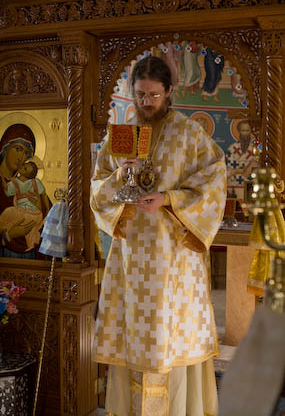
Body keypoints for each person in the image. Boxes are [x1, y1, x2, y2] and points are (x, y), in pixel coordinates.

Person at [90, 56, 227, 416]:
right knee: (134, 339)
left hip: (174, 259)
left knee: (169, 340)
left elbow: (214, 182)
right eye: (139, 95)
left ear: (169, 92)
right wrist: (120, 176)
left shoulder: (188, 133)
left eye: (153, 95)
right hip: (131, 259)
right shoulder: (121, 133)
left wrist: (169, 199)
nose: (145, 102)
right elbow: (97, 191)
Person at [0, 123, 49, 258]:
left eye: (26, 153)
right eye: (18, 149)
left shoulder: (29, 184)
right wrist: (10, 234)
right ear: (5, 148)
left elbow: (48, 222)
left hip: (29, 256)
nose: (22, 157)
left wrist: (40, 207)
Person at [0, 161, 51, 252]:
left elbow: (43, 195)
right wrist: (2, 178)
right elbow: (7, 190)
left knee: (15, 215)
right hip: (22, 211)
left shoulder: (35, 182)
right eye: (24, 165)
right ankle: (5, 229)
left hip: (34, 214)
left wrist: (47, 209)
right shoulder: (15, 183)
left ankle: (6, 230)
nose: (22, 167)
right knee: (9, 212)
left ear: (28, 175)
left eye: (25, 168)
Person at [225, 120, 257, 200]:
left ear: (251, 131)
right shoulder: (231, 149)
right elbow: (224, 169)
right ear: (239, 131)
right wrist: (235, 171)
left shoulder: (255, 150)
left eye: (247, 130)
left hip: (250, 189)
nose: (245, 133)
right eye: (243, 130)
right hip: (233, 188)